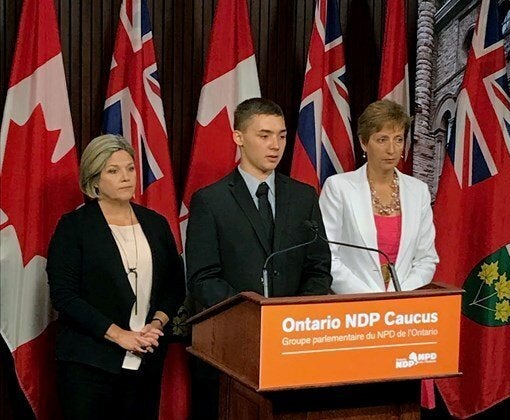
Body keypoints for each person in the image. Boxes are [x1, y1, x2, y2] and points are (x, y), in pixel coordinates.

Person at [185, 98, 332, 420]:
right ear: (239, 137)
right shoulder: (211, 200)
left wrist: (296, 317)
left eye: (281, 136)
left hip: (292, 344)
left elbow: (318, 267)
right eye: (264, 135)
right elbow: (202, 277)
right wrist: (252, 318)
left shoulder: (303, 195)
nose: (275, 145)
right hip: (231, 347)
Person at [46, 134, 185, 420]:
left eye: (130, 168)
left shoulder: (155, 224)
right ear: (94, 180)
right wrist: (119, 335)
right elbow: (64, 295)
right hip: (89, 363)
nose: (126, 177)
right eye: (113, 170)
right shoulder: (74, 227)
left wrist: (156, 324)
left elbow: (174, 285)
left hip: (146, 360)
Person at [319, 100, 439, 293]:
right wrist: (371, 300)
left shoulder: (418, 191)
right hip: (353, 305)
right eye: (382, 139)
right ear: (364, 143)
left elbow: (426, 259)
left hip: (403, 308)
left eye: (398, 139)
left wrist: (397, 296)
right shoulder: (338, 187)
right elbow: (327, 256)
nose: (391, 150)